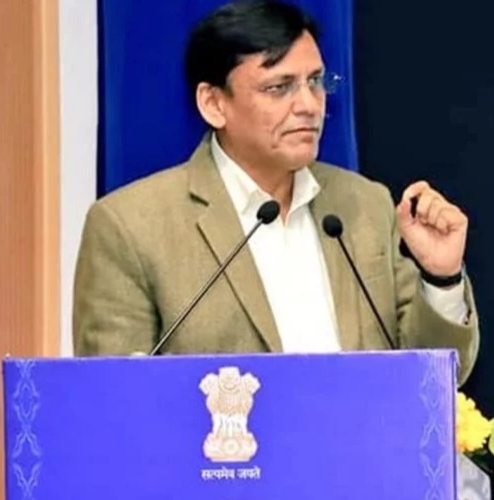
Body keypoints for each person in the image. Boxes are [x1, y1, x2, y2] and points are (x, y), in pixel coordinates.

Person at [73, 0, 479, 385]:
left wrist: (441, 278)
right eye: (279, 87)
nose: (309, 105)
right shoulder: (130, 226)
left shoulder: (364, 204)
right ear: (213, 104)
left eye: (315, 82)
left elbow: (429, 383)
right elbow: (113, 400)